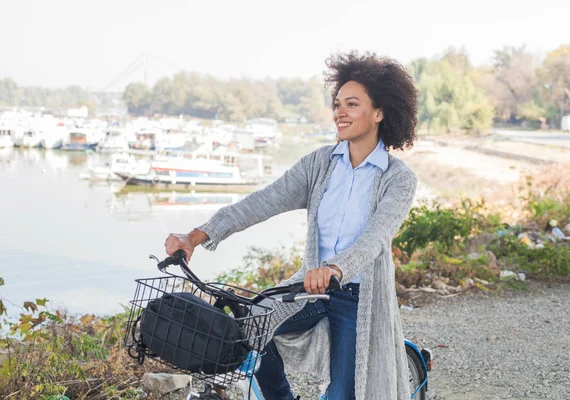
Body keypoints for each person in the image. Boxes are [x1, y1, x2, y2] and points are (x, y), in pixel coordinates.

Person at [164, 51, 419, 400]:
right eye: (337, 103)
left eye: (352, 104)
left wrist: (335, 268)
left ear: (379, 113)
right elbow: (264, 201)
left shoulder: (398, 178)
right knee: (251, 329)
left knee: (344, 393)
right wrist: (197, 235)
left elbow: (375, 238)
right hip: (309, 287)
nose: (339, 112)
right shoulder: (320, 164)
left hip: (357, 296)